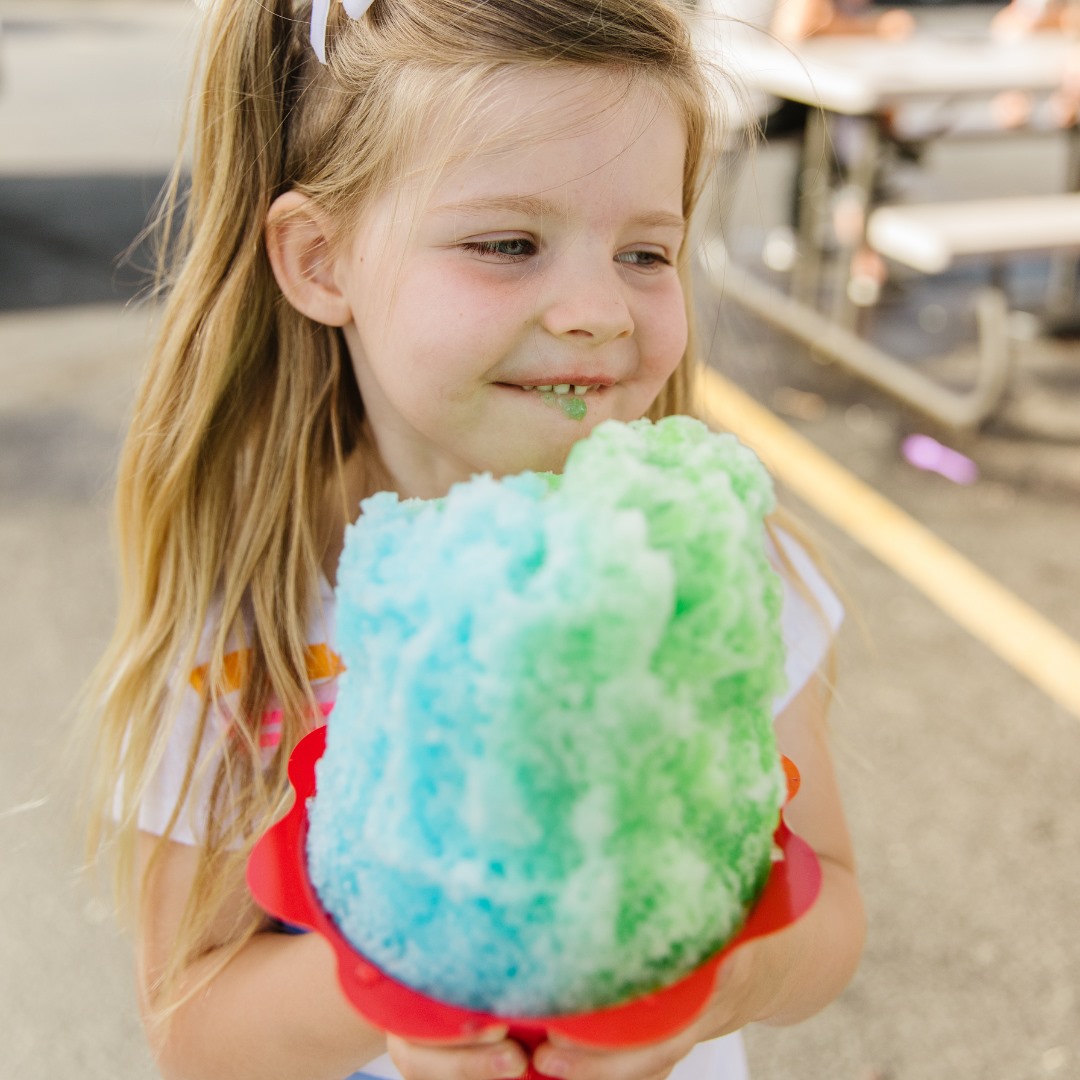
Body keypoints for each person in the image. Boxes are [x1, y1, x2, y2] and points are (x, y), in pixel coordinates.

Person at [81, 1, 865, 1079]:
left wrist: (728, 980)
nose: (597, 308)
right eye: (509, 244)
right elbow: (191, 1025)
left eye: (646, 251)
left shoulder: (716, 574)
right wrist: (414, 979)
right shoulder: (246, 634)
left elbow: (827, 898)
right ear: (321, 260)